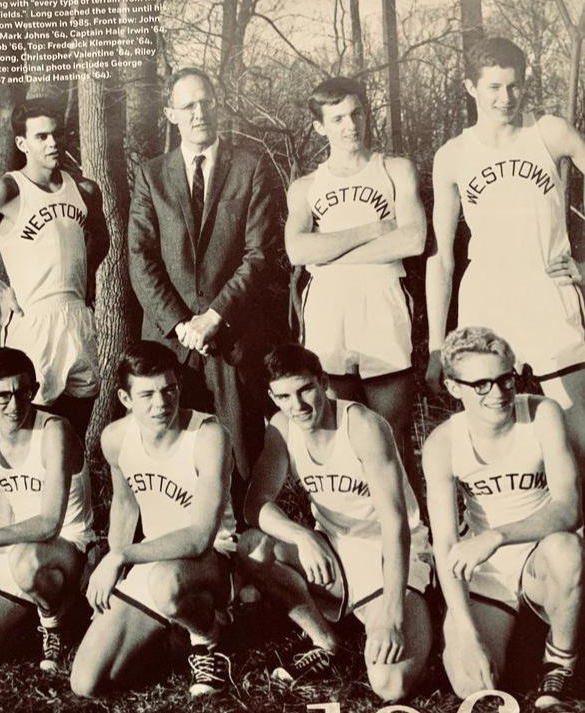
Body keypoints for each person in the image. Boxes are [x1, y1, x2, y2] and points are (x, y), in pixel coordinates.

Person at [238, 344, 432, 701]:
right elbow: (255, 505)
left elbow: (396, 525)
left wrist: (392, 615)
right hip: (334, 550)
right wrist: (303, 536)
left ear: (324, 382)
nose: (297, 405)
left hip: (388, 554)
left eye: (305, 390)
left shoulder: (362, 426)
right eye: (284, 396)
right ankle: (324, 640)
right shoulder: (282, 428)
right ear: (272, 397)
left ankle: (408, 609)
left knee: (390, 684)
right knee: (253, 547)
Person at [426, 37, 585, 468]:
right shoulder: (453, 155)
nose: (506, 98)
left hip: (550, 298)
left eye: (514, 86)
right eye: (494, 87)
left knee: (579, 440)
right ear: (470, 87)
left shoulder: (549, 132)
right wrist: (437, 346)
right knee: (497, 441)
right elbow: (441, 258)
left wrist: (584, 266)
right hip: (487, 305)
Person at [128, 67, 275, 491]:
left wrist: (214, 317)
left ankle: (245, 533)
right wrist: (181, 324)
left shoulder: (250, 167)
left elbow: (259, 254)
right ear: (170, 113)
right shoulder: (151, 175)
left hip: (232, 341)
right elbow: (140, 257)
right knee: (174, 460)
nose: (199, 113)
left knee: (241, 460)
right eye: (188, 105)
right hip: (170, 347)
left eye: (206, 102)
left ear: (218, 104)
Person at [422, 326, 584, 708]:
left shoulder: (541, 413)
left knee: (566, 551)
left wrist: (496, 536)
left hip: (542, 556)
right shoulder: (442, 443)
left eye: (505, 379)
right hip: (489, 573)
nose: (497, 393)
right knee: (472, 684)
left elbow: (568, 508)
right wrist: (467, 634)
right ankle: (527, 635)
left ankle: (559, 663)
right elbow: (446, 545)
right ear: (454, 387)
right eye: (481, 385)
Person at [284, 77, 426, 499]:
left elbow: (412, 240)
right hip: (328, 309)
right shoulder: (305, 187)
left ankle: (412, 529)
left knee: (392, 429)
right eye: (338, 118)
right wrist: (372, 230)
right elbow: (297, 250)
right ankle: (347, 522)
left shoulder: (395, 170)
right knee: (338, 426)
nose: (351, 126)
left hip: (382, 301)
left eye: (357, 113)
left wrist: (327, 254)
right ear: (319, 126)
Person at [70, 340, 237, 699]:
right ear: (125, 398)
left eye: (169, 389)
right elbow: (125, 506)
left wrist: (121, 556)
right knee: (86, 683)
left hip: (214, 559)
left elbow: (200, 537)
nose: (161, 404)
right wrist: (115, 574)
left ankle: (209, 637)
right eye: (146, 395)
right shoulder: (115, 438)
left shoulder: (209, 436)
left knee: (166, 583)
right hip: (153, 556)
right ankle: (176, 632)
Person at [0, 98, 109, 439]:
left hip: (77, 319)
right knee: (28, 436)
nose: (53, 143)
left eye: (57, 134)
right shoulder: (6, 190)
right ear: (21, 143)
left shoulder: (84, 189)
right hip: (32, 321)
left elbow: (101, 239)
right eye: (41, 136)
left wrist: (84, 278)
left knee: (74, 435)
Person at [0, 347, 95, 680]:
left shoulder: (54, 431)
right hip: (15, 555)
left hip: (66, 548)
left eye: (23, 393)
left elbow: (50, 523)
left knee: (26, 561)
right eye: (2, 396)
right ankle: (28, 618)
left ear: (33, 390)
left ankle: (54, 620)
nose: (15, 405)